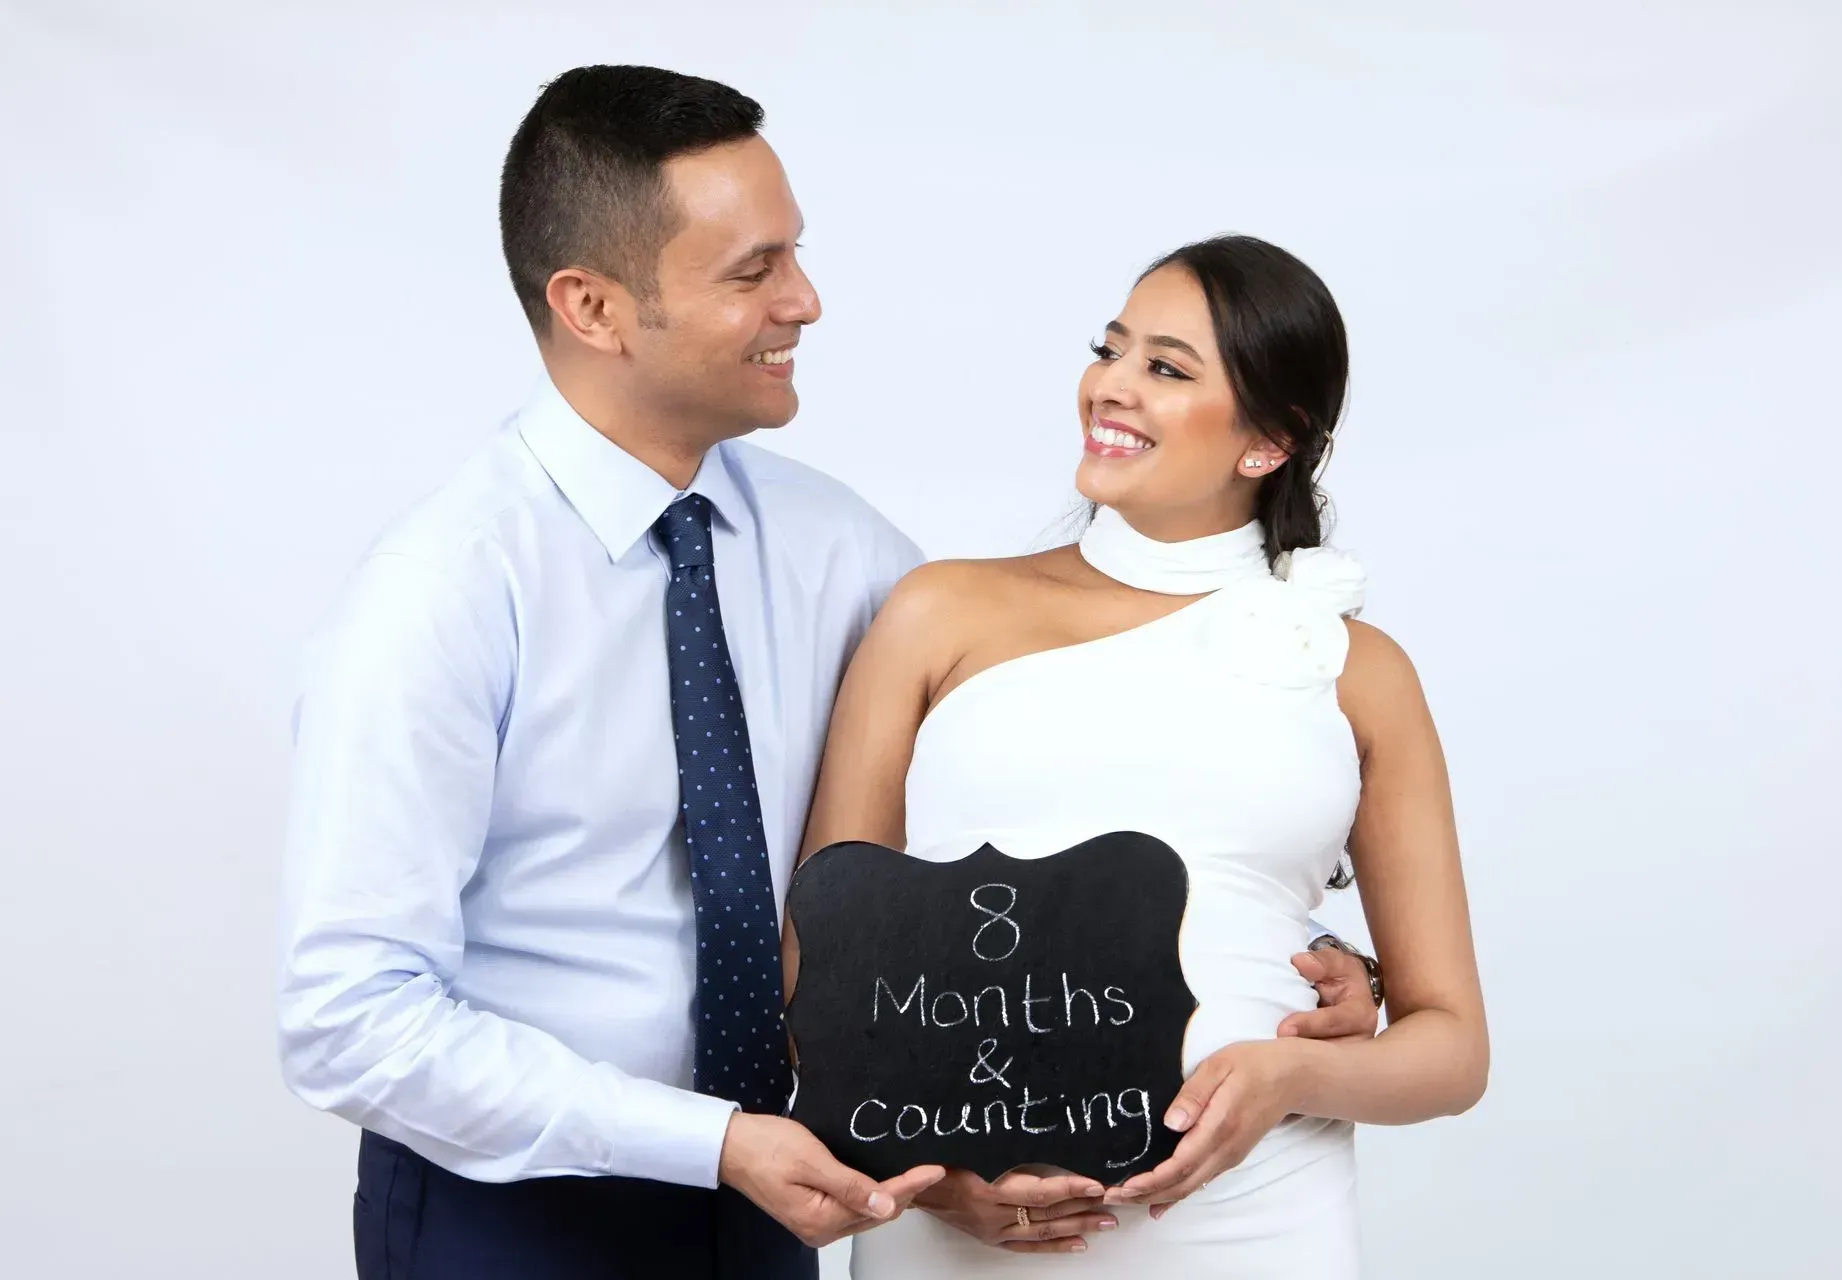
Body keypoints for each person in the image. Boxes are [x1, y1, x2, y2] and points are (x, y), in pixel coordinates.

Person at [275, 64, 1379, 1279]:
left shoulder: (835, 548)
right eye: (752, 272)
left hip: (789, 1194)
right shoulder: (438, 594)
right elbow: (348, 1019)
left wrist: (1295, 957)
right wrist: (706, 1141)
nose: (805, 300)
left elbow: (1062, 753)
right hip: (520, 1213)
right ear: (591, 306)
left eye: (794, 253)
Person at [795, 234, 1488, 1276]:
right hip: (964, 1226)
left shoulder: (1359, 667)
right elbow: (820, 954)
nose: (1109, 387)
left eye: (1164, 368)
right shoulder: (941, 610)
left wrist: (1284, 1080)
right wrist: (932, 1171)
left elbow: (1451, 1046)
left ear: (1268, 441)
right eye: (1109, 349)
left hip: (1256, 1217)